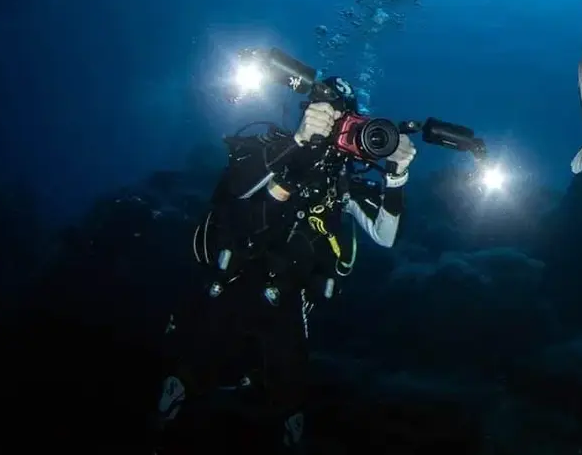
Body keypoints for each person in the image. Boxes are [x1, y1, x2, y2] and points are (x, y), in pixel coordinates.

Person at [153, 76, 417, 454]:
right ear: (308, 112)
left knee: (289, 394)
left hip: (289, 295)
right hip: (235, 277)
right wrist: (298, 141)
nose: (339, 129)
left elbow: (385, 236)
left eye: (349, 122)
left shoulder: (341, 183)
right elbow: (237, 188)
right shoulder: (272, 148)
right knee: (194, 365)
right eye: (330, 117)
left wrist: (397, 176)